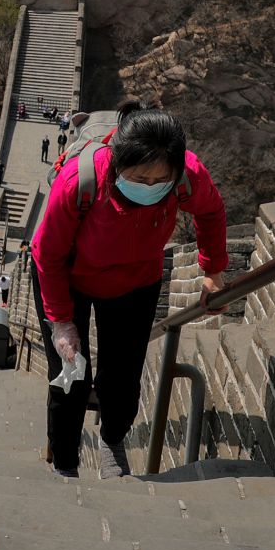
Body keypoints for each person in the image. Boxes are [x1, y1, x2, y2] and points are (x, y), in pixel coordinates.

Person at [31, 101, 228, 479]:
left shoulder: (186, 175)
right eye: (139, 178)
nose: (151, 187)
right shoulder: (80, 180)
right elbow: (47, 253)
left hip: (136, 281)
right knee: (71, 376)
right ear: (117, 164)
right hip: (67, 278)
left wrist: (213, 271)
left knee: (122, 377)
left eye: (160, 181)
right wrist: (61, 323)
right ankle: (66, 464)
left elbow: (211, 211)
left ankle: (112, 439)